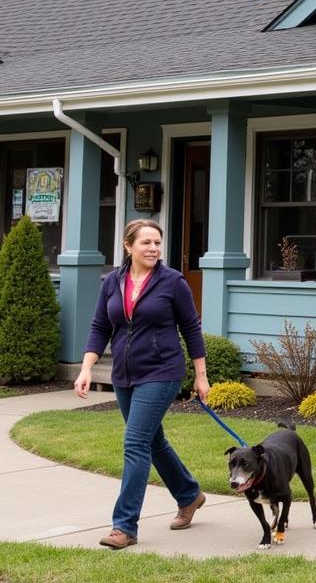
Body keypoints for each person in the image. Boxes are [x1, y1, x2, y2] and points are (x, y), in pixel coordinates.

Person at [74, 218, 210, 549]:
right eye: (146, 242)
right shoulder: (112, 282)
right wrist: (86, 368)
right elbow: (99, 326)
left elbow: (191, 329)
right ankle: (189, 495)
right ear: (128, 246)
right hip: (124, 373)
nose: (153, 248)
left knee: (135, 442)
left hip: (162, 371)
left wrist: (201, 376)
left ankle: (124, 526)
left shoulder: (173, 282)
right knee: (153, 440)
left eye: (157, 243)